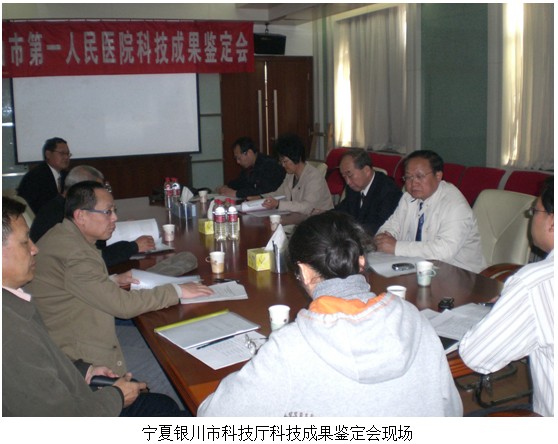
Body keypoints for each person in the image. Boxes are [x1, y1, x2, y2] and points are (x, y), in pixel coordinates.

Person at [198, 212, 463, 416]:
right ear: (362, 261)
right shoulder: (414, 319)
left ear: (304, 273)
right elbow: (451, 411)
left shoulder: (289, 348)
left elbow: (212, 419)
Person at [2, 196, 187, 416]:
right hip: (83, 393)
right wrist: (117, 396)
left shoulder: (12, 302)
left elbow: (45, 363)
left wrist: (85, 371)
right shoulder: (11, 331)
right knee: (164, 397)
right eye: (25, 242)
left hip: (75, 366)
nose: (35, 249)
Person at [26, 181, 213, 376]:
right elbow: (124, 307)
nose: (115, 218)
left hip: (80, 327)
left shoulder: (63, 235)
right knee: (176, 365)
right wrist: (178, 290)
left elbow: (73, 283)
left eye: (114, 211)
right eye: (107, 212)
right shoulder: (75, 254)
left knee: (167, 341)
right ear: (81, 216)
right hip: (78, 354)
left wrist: (111, 280)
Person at [459, 177, 554, 417]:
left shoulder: (534, 283)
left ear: (552, 221)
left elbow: (477, 356)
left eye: (535, 212)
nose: (532, 218)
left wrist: (508, 308)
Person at [375, 150, 485, 273]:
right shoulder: (408, 197)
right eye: (408, 177)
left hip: (460, 274)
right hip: (418, 269)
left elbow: (444, 251)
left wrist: (396, 247)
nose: (413, 183)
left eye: (419, 176)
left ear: (438, 176)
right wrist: (384, 239)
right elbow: (391, 226)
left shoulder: (455, 205)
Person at [30, 165, 155, 267]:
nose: (102, 193)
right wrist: (133, 246)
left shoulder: (61, 204)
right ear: (81, 190)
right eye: (97, 189)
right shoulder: (60, 215)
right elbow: (95, 258)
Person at [261, 133, 334, 215]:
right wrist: (260, 197)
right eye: (281, 162)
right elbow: (279, 194)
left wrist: (278, 204)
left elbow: (307, 207)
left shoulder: (314, 177)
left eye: (285, 161)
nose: (283, 165)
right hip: (299, 217)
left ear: (297, 157)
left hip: (320, 219)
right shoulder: (290, 175)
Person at [335, 148, 402, 234]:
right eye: (344, 176)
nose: (347, 182)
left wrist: (348, 230)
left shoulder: (389, 191)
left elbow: (380, 226)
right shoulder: (353, 187)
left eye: (350, 175)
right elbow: (342, 210)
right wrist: (324, 216)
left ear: (366, 171)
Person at [216, 136, 285, 199]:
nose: (237, 162)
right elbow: (241, 182)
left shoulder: (269, 165)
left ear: (249, 153)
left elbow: (262, 190)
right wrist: (227, 187)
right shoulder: (250, 167)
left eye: (239, 158)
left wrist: (236, 193)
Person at [17, 137, 71, 214]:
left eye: (68, 154)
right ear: (48, 154)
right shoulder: (35, 177)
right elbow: (35, 207)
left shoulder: (67, 175)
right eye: (62, 153)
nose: (66, 157)